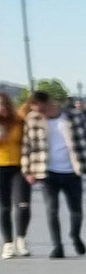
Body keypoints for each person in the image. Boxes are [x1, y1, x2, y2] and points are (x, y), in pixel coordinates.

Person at [23, 90, 86, 258]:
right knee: (51, 210)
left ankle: (75, 235)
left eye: (41, 109)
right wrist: (28, 170)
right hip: (47, 171)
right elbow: (27, 145)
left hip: (72, 170)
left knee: (76, 210)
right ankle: (57, 246)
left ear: (49, 103)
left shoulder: (73, 116)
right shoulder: (33, 119)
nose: (39, 113)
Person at [0, 89, 26, 258]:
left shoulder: (18, 121)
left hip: (18, 166)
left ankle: (21, 239)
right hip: (0, 166)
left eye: (3, 104)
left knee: (22, 205)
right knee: (4, 207)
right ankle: (8, 243)